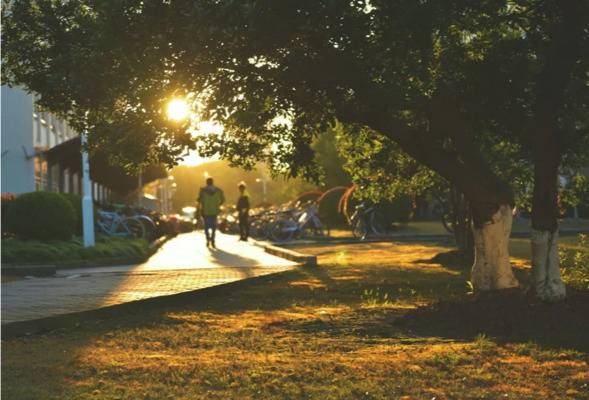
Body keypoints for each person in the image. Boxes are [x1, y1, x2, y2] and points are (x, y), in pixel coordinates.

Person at [197, 177, 225, 248]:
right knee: (213, 227)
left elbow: (199, 200)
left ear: (206, 182)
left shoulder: (203, 190)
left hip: (205, 211)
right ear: (213, 182)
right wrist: (218, 204)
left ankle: (208, 239)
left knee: (206, 227)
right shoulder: (218, 190)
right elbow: (223, 199)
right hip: (214, 211)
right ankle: (212, 240)